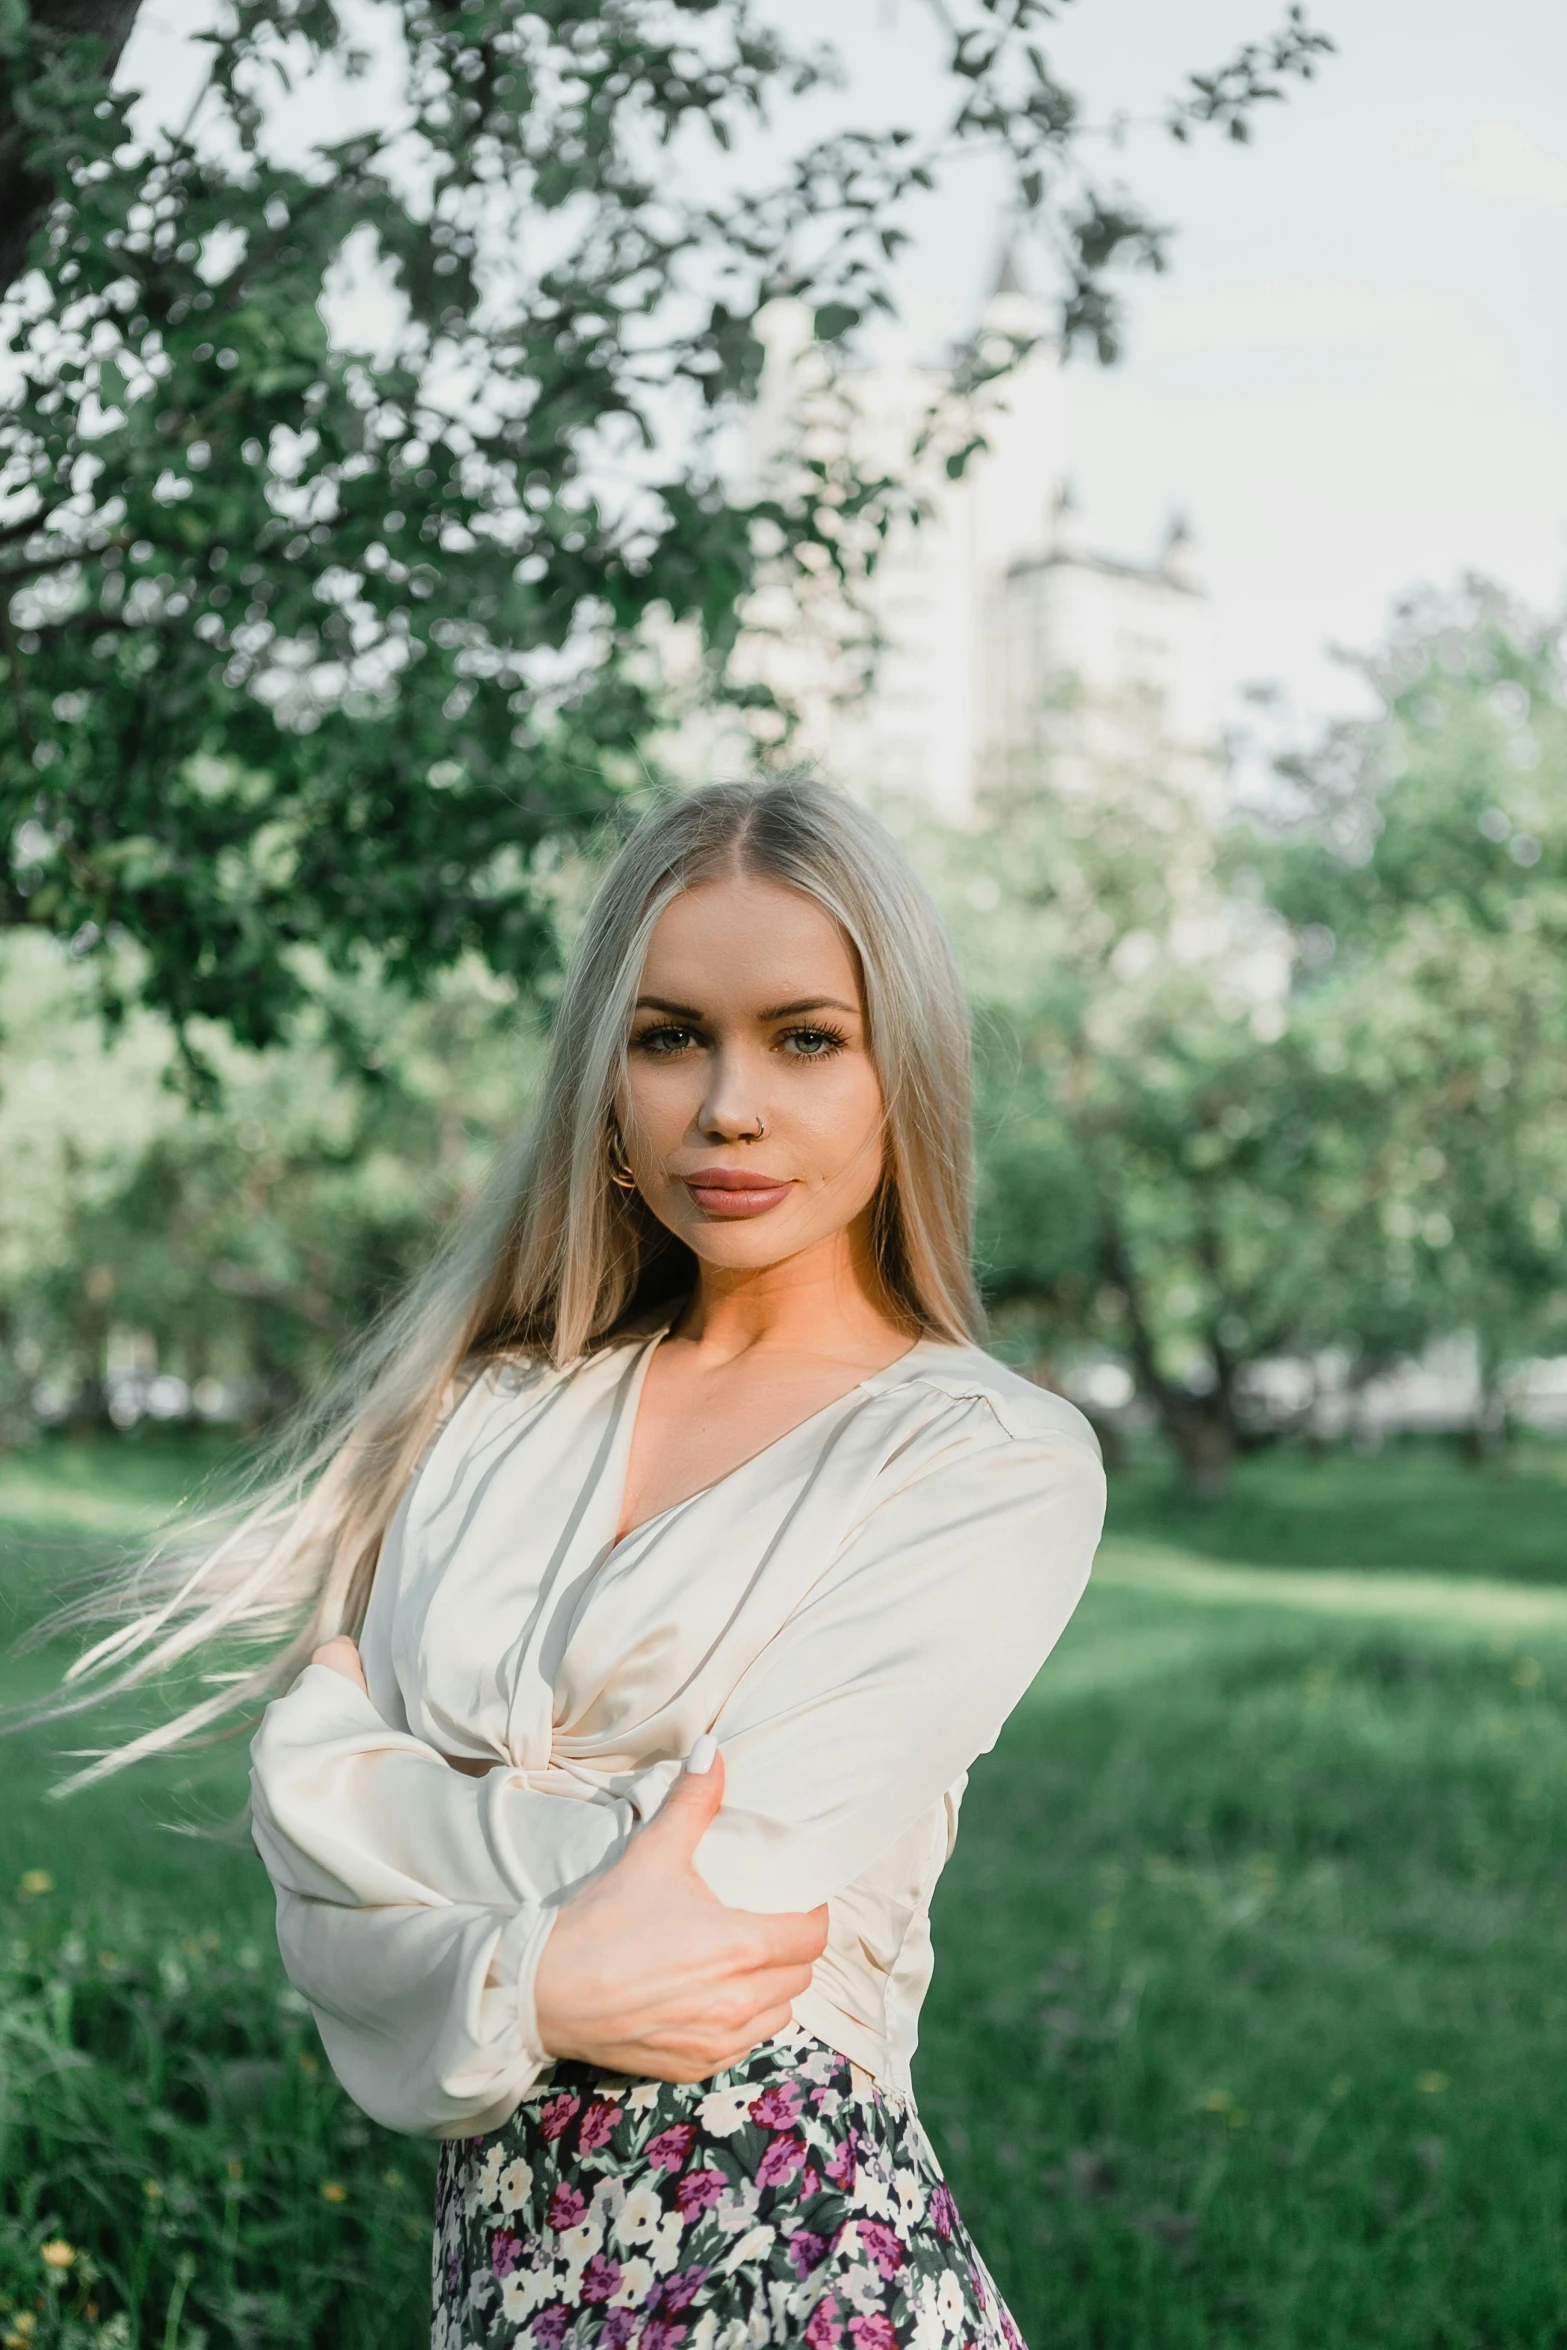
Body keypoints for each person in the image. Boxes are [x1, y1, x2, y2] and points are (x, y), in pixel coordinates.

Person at [175, 779, 1106, 2347]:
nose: (727, 1104)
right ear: (603, 1077)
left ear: (903, 1072)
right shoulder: (489, 1418)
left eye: (805, 1036)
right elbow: (321, 1927)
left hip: (814, 2268)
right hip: (503, 2290)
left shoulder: (983, 1455)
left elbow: (730, 1896)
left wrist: (348, 1794)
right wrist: (543, 1975)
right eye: (671, 1035)